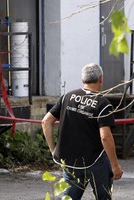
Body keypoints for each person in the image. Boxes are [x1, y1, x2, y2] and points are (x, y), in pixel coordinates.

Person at [42, 63, 123, 200]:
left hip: (69, 161)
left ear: (82, 80)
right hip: (95, 161)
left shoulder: (67, 97)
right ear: (101, 79)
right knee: (103, 197)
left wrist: (53, 150)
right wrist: (115, 166)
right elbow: (105, 137)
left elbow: (46, 121)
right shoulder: (103, 104)